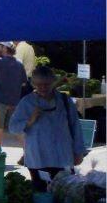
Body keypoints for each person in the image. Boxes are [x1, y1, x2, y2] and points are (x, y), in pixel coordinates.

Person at [9, 66, 87, 194]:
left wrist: (78, 152)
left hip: (63, 157)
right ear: (33, 84)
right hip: (38, 159)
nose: (43, 88)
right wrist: (30, 121)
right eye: (39, 84)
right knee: (42, 194)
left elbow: (75, 126)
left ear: (53, 82)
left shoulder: (64, 100)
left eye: (47, 84)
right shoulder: (26, 102)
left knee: (67, 194)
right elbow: (13, 127)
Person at [0, 42, 27, 145]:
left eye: (0, 46)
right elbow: (23, 83)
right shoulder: (19, 63)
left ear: (5, 48)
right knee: (16, 129)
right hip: (14, 101)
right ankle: (27, 151)